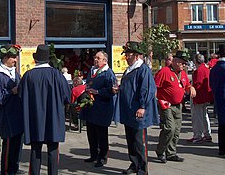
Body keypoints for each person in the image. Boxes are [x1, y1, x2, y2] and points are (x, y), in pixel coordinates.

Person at [19, 44, 71, 175]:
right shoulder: (57, 75)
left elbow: (21, 96)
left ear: (36, 59)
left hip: (35, 118)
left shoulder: (28, 76)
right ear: (49, 59)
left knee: (35, 150)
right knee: (53, 150)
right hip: (53, 118)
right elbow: (67, 96)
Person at [116, 42, 159, 175]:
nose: (126, 57)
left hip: (138, 111)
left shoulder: (143, 69)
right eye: (126, 55)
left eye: (128, 55)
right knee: (130, 140)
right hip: (129, 111)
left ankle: (142, 168)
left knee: (139, 141)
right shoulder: (129, 69)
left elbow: (146, 89)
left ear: (135, 55)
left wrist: (142, 106)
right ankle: (134, 164)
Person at [0, 44, 24, 175]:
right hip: (6, 116)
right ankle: (7, 171)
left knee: (18, 144)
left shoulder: (15, 73)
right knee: (8, 144)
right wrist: (11, 91)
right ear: (5, 58)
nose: (15, 60)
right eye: (13, 58)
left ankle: (15, 167)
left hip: (18, 114)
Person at [154, 50, 195, 163]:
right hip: (166, 105)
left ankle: (171, 153)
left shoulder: (183, 73)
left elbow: (186, 85)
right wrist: (155, 101)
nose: (184, 65)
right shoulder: (164, 72)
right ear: (175, 61)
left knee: (176, 130)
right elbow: (155, 87)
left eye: (185, 63)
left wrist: (190, 88)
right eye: (182, 62)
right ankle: (161, 151)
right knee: (169, 129)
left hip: (178, 105)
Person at [79, 51, 116, 168]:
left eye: (98, 58)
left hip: (102, 108)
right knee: (91, 133)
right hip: (91, 108)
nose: (95, 60)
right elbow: (89, 83)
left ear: (105, 60)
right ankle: (93, 155)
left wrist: (98, 92)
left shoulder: (108, 73)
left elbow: (112, 90)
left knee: (102, 135)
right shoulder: (92, 71)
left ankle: (102, 157)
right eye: (95, 57)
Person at [187, 54, 213, 143]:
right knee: (204, 115)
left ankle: (197, 135)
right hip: (205, 96)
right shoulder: (206, 69)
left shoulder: (198, 71)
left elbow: (197, 85)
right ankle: (207, 134)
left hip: (198, 97)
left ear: (195, 61)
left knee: (197, 116)